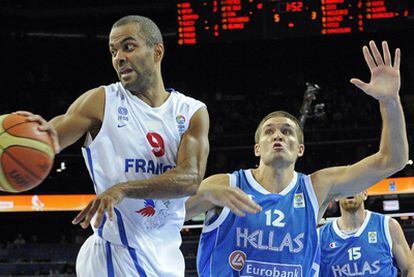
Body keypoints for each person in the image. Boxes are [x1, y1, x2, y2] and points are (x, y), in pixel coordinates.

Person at [185, 40, 408, 276]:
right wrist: (203, 194)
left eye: (287, 132)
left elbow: (392, 159)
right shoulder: (225, 185)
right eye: (269, 131)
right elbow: (165, 215)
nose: (278, 136)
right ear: (257, 148)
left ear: (300, 149)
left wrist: (389, 101)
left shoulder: (317, 187)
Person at [17, 15, 210, 276]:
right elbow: (50, 140)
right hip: (115, 252)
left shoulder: (191, 112)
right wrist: (31, 137)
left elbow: (190, 179)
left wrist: (123, 189)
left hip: (165, 253)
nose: (118, 57)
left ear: (157, 51)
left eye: (129, 47)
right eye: (113, 51)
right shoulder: (102, 101)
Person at [319, 191, 414, 276]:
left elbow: (409, 269)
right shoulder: (320, 237)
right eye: (345, 187)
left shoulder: (388, 226)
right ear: (336, 197)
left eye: (356, 185)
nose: (351, 189)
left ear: (365, 193)